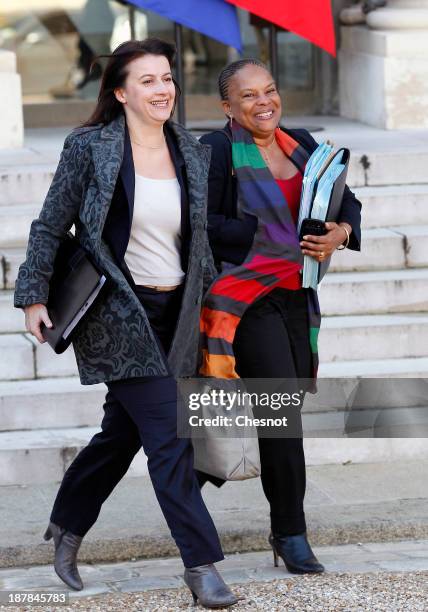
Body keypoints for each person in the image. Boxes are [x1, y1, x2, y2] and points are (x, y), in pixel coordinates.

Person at [13, 38, 238, 609]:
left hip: (179, 312)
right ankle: (202, 565)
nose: (164, 89)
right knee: (169, 439)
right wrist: (33, 296)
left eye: (168, 78)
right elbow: (49, 225)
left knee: (122, 434)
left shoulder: (191, 150)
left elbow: (200, 240)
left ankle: (66, 524)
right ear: (120, 92)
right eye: (149, 81)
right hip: (119, 314)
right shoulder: (91, 147)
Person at [198, 58, 362, 574]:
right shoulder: (216, 150)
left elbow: (346, 201)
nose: (264, 102)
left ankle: (181, 478)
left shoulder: (303, 142)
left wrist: (340, 232)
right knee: (281, 414)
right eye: (248, 96)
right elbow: (201, 221)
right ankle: (290, 533)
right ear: (227, 106)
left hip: (298, 296)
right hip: (245, 299)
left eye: (269, 90)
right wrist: (260, 238)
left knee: (279, 412)